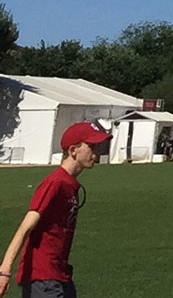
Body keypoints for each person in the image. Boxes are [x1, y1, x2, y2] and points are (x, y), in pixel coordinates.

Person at [3, 120, 111, 297]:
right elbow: (26, 226)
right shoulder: (55, 183)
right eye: (91, 146)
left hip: (60, 275)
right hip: (42, 277)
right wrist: (4, 271)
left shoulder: (70, 184)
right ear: (73, 151)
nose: (96, 152)